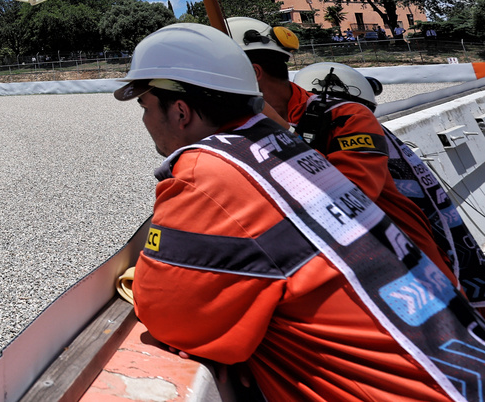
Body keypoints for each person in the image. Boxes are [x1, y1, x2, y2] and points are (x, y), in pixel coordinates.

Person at [122, 23, 485, 402]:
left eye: (145, 106)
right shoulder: (290, 149)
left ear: (180, 111)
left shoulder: (208, 173)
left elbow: (172, 316)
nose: (145, 120)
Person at [226, 16, 457, 284]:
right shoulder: (231, 131)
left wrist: (274, 130)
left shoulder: (346, 116)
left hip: (403, 273)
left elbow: (353, 197)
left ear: (252, 74)